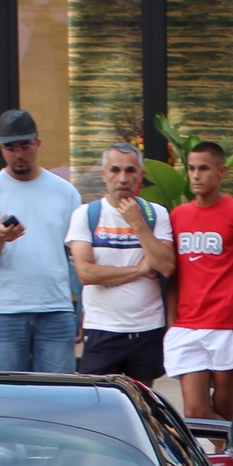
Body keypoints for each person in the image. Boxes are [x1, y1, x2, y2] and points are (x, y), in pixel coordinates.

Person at [0, 108, 83, 373]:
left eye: (25, 146)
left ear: (38, 144)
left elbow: (75, 256)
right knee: (7, 398)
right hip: (4, 311)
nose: (18, 154)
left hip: (55, 308)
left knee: (58, 396)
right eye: (10, 148)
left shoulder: (65, 192)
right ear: (0, 148)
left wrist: (82, 306)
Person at [166, 140, 233, 417]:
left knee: (223, 406)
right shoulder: (177, 216)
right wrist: (172, 322)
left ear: (221, 172)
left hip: (227, 323)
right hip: (187, 324)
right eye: (191, 168)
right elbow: (173, 273)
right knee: (195, 411)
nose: (196, 175)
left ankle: (228, 459)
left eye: (204, 168)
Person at [68, 143, 175, 382]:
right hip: (102, 329)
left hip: (146, 329)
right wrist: (139, 269)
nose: (122, 178)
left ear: (141, 175)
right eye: (115, 170)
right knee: (98, 404)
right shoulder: (86, 214)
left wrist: (137, 223)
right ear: (103, 173)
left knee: (142, 405)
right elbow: (86, 273)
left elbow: (166, 265)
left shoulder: (155, 214)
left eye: (130, 170)